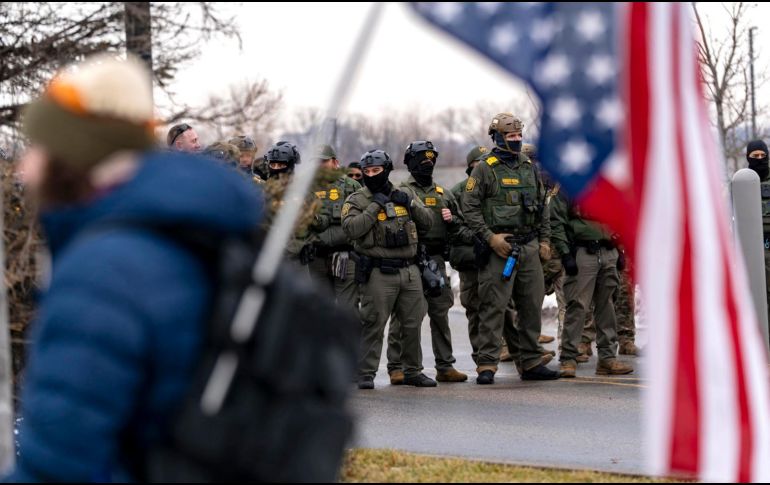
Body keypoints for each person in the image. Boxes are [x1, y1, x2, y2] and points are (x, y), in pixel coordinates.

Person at [7, 55, 263, 482]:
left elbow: (60, 467)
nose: (27, 166)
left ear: (73, 154)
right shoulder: (184, 236)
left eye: (39, 146)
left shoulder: (102, 273)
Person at [461, 113, 559, 384]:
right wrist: (491, 238)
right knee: (493, 307)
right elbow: (468, 208)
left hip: (529, 247)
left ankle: (530, 363)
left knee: (531, 307)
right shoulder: (485, 168)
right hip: (500, 250)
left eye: (518, 136)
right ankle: (487, 365)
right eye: (510, 136)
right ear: (497, 137)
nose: (516, 141)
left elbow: (542, 207)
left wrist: (545, 241)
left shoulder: (528, 166)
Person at [342, 149, 436, 389]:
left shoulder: (404, 192)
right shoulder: (357, 199)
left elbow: (428, 222)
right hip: (378, 272)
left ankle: (413, 370)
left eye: (377, 171)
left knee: (413, 323)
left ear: (387, 170)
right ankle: (365, 373)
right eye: (367, 172)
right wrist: (375, 206)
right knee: (373, 323)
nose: (372, 175)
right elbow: (352, 229)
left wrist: (412, 204)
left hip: (409, 269)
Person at [385, 141, 471, 384]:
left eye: (431, 159)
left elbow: (460, 226)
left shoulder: (444, 193)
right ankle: (397, 366)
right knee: (404, 315)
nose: (427, 164)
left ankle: (445, 366)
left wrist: (452, 220)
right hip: (410, 260)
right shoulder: (402, 192)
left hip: (435, 260)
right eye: (422, 160)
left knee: (440, 312)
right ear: (410, 163)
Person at [553, 199, 634, 378]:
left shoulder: (608, 182)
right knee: (577, 306)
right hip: (582, 251)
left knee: (607, 306)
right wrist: (565, 253)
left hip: (608, 251)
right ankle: (568, 358)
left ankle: (607, 358)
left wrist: (620, 249)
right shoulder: (571, 183)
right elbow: (556, 221)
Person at [307, 144, 361, 310]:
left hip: (346, 257)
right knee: (320, 311)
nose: (319, 165)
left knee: (348, 310)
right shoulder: (306, 187)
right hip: (316, 258)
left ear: (335, 162)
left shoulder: (352, 186)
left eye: (323, 161)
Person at [747, 139, 770, 316]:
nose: (760, 159)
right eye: (755, 156)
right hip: (752, 254)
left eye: (763, 156)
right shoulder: (740, 183)